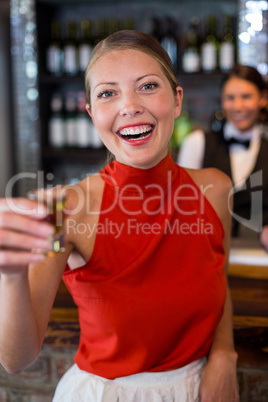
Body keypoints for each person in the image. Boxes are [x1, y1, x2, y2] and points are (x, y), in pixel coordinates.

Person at [0, 30, 239, 401]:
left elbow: (220, 280)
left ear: (177, 101)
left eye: (147, 86)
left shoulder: (216, 189)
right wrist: (11, 274)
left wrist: (224, 355)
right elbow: (16, 359)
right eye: (108, 93)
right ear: (93, 113)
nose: (129, 106)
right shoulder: (67, 208)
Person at [177, 64, 268, 249]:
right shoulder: (197, 143)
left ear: (263, 98)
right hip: (207, 255)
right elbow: (182, 207)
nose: (238, 106)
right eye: (230, 98)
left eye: (246, 97)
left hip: (259, 259)